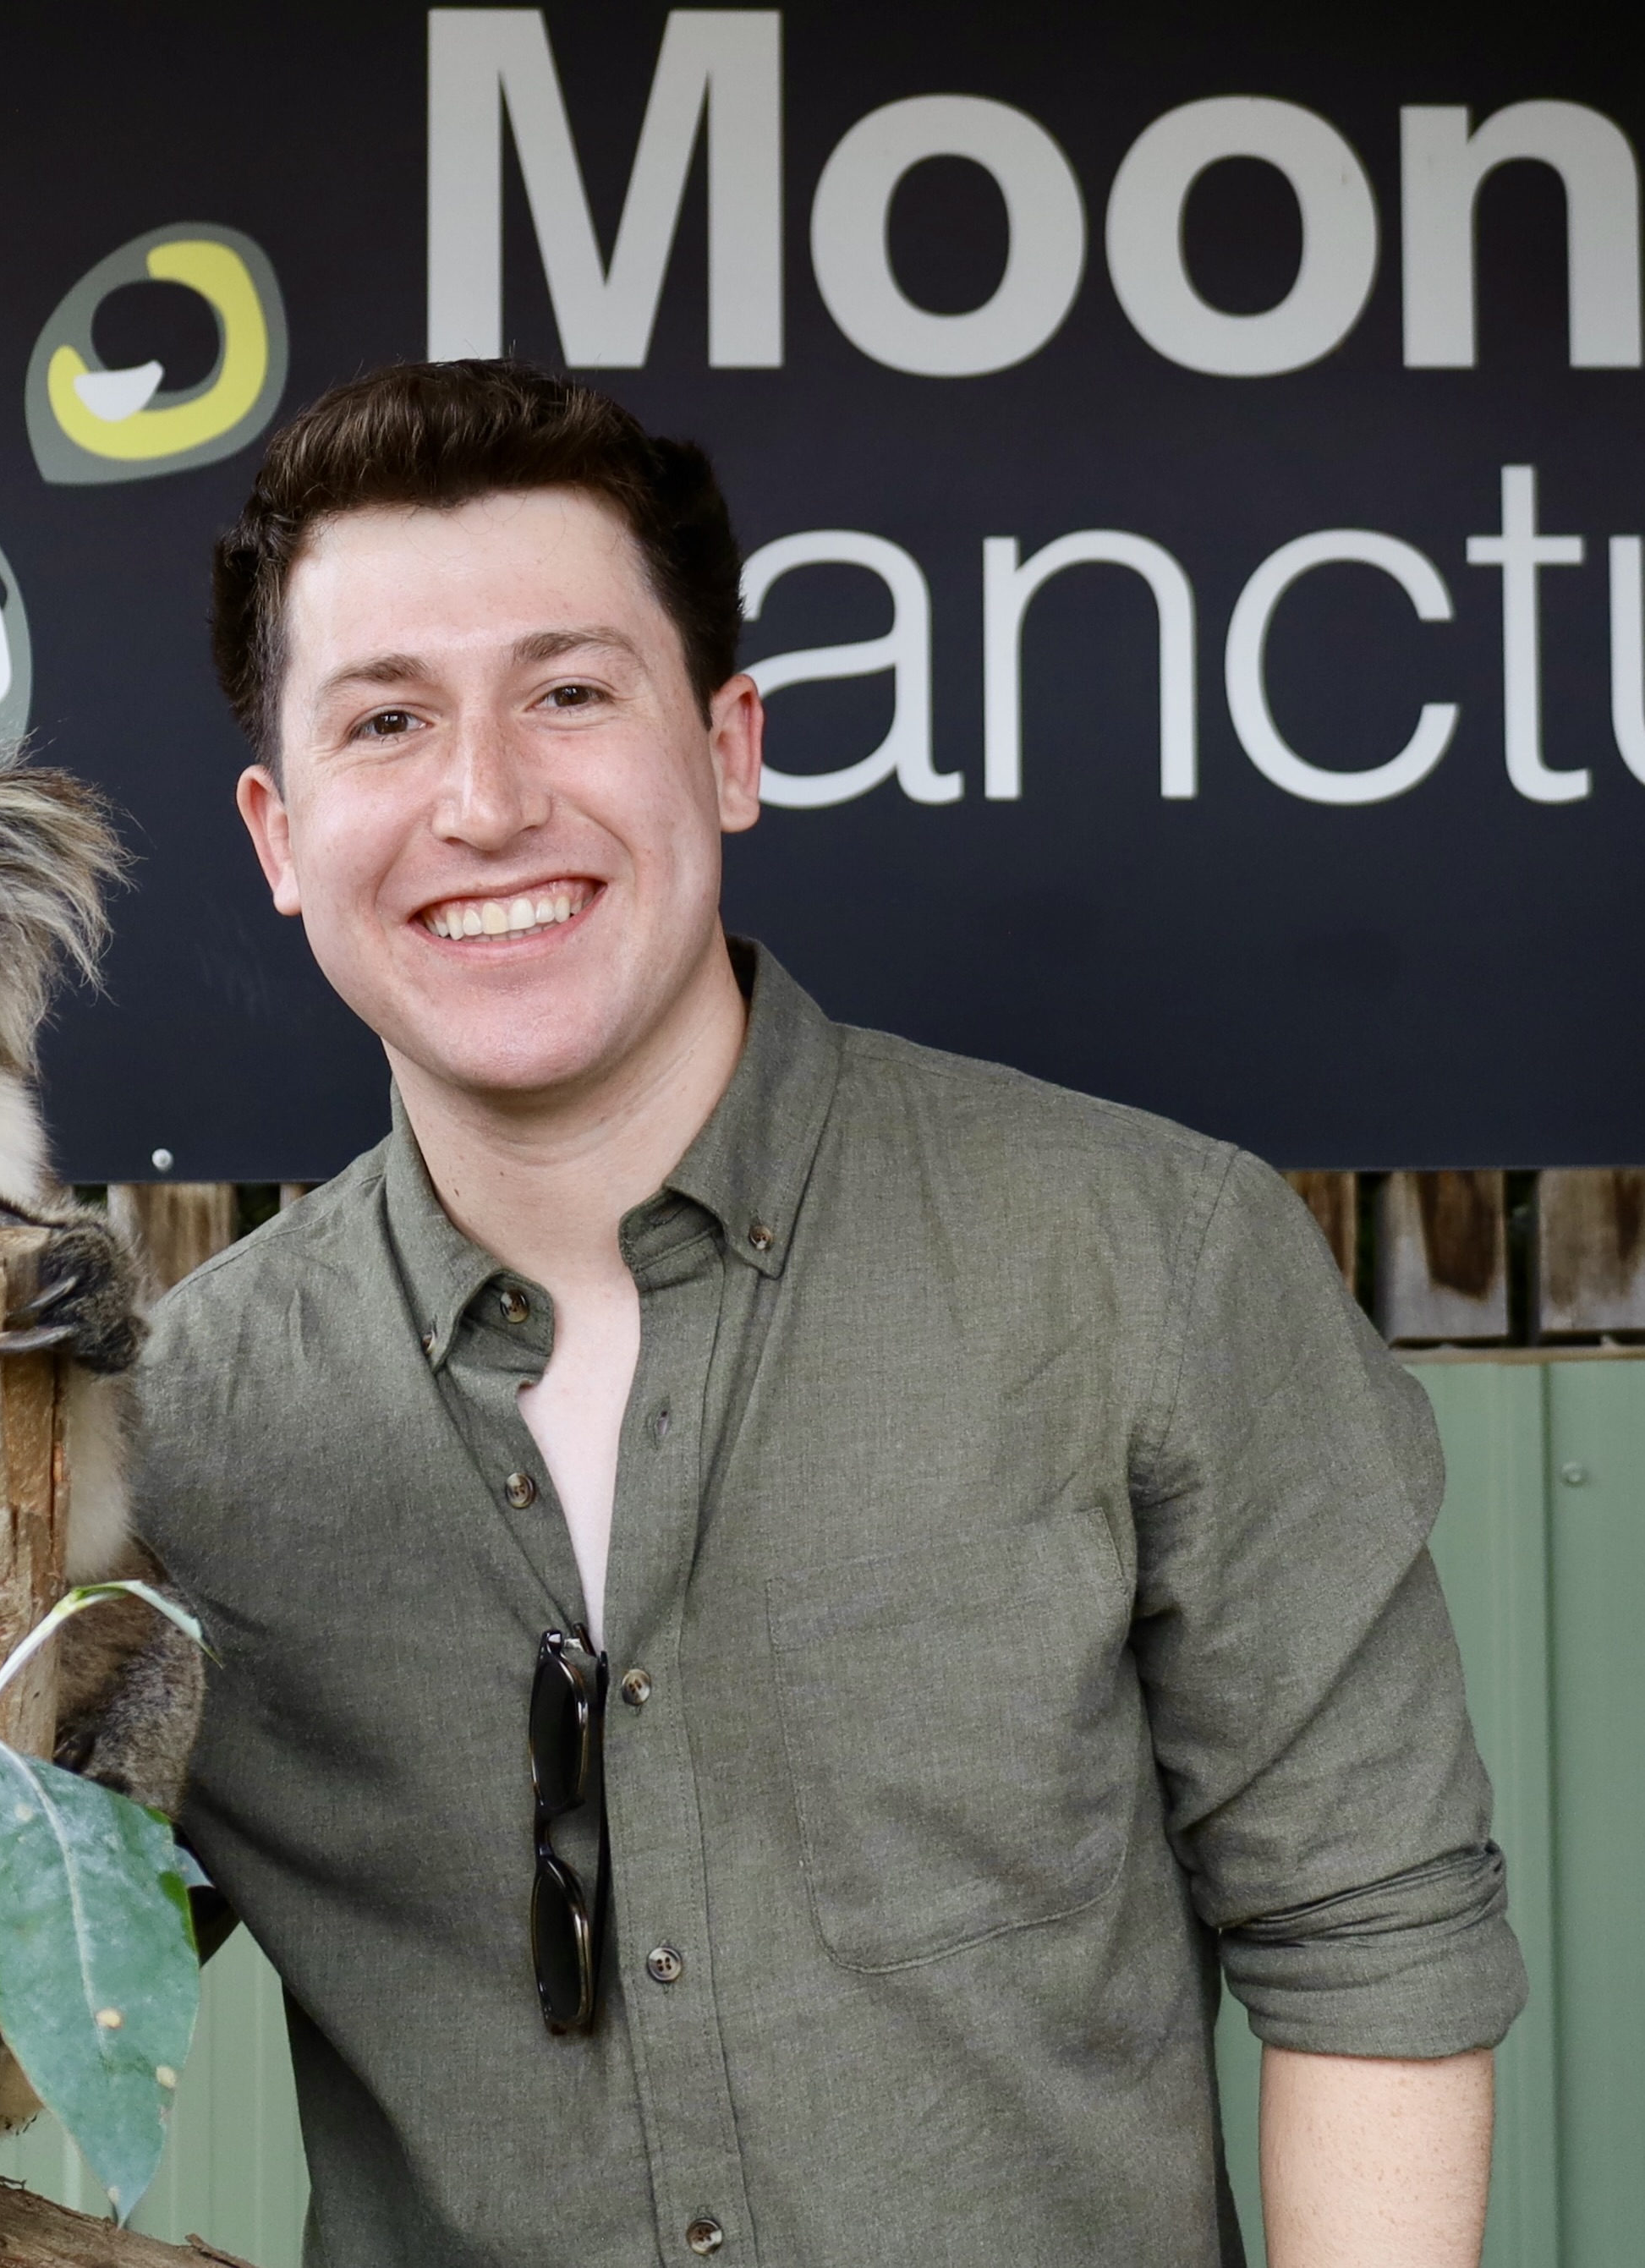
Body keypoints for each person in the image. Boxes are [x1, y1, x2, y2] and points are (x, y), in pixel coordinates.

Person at [132, 359, 1522, 2268]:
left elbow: (1371, 1938)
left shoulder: (1144, 1258)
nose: (483, 798)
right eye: (386, 720)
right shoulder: (172, 1436)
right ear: (281, 837)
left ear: (727, 746)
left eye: (567, 691)